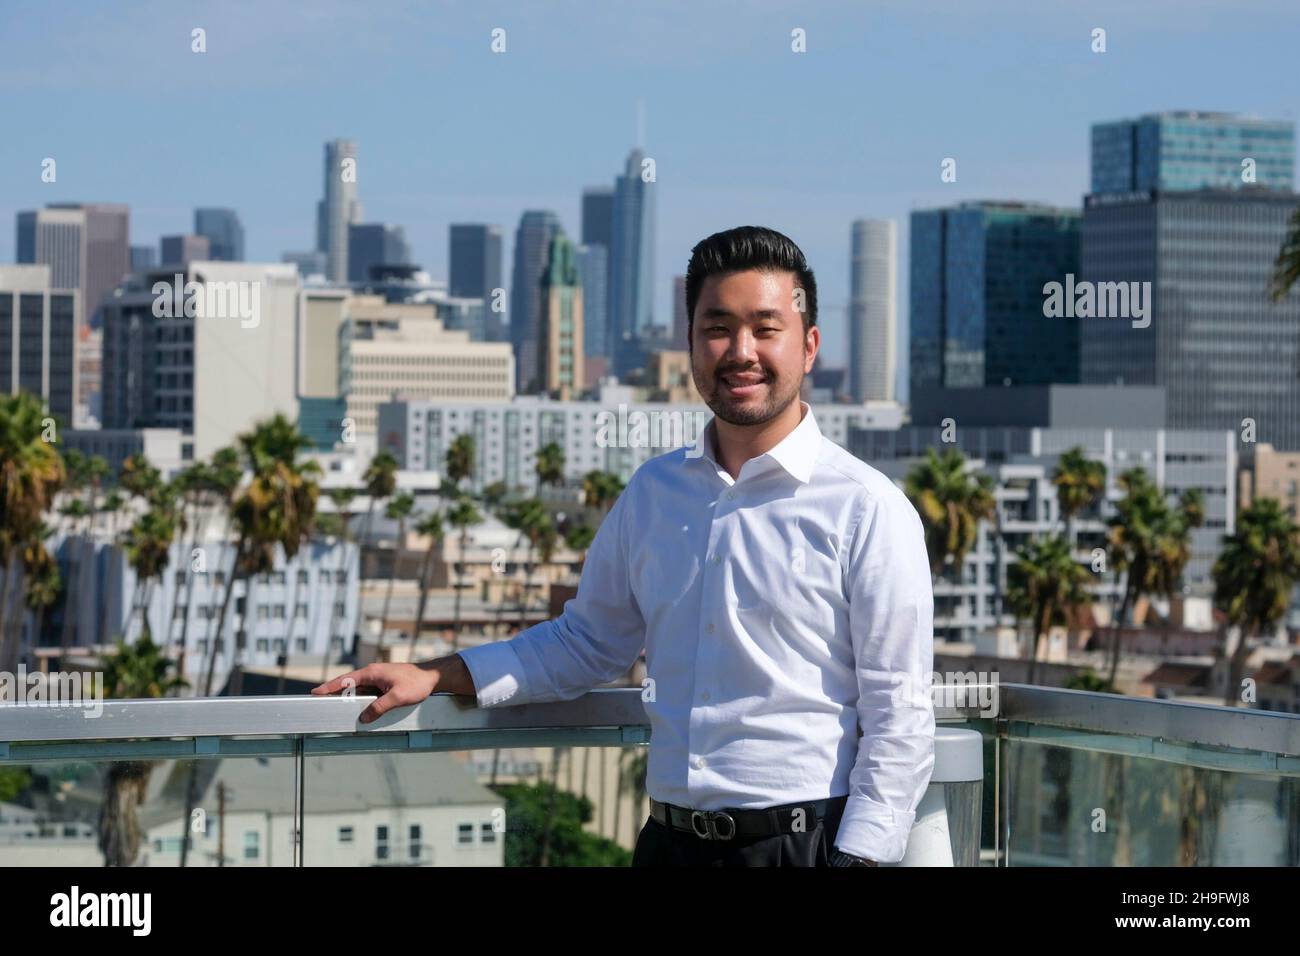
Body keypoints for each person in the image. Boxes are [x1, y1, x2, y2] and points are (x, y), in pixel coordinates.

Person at [313, 225, 936, 867]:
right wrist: (439, 674)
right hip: (668, 846)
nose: (739, 350)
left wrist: (858, 862)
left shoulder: (868, 507)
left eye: (765, 328)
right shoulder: (654, 492)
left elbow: (900, 718)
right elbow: (586, 642)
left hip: (804, 847)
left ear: (808, 347)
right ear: (691, 344)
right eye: (717, 327)